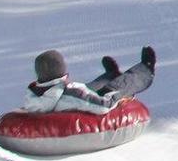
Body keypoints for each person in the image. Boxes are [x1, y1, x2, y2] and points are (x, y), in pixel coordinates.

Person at [19, 47, 157, 116]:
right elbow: (104, 106)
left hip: (66, 99)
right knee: (112, 88)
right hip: (81, 100)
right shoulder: (72, 93)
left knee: (85, 89)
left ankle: (110, 75)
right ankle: (146, 69)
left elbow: (61, 95)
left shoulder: (32, 95)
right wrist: (115, 97)